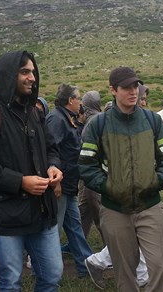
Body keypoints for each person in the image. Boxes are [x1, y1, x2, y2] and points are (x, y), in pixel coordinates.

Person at [0, 50, 64, 291]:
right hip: (6, 214)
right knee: (10, 281)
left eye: (33, 72)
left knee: (52, 275)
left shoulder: (35, 113)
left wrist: (53, 166)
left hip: (42, 211)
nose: (32, 78)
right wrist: (20, 181)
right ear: (8, 75)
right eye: (24, 72)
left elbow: (51, 148)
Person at [79, 66, 163, 291]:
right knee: (125, 273)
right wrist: (108, 187)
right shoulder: (99, 124)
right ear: (113, 90)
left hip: (150, 206)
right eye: (127, 87)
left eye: (136, 86)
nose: (134, 91)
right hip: (115, 209)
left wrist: (155, 182)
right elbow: (86, 166)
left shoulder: (152, 121)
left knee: (160, 266)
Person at [46, 83, 93, 278]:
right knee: (52, 231)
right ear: (70, 100)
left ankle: (87, 267)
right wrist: (55, 183)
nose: (81, 102)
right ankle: (47, 272)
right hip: (60, 186)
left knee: (75, 228)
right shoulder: (56, 119)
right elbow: (49, 152)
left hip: (69, 185)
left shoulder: (68, 118)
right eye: (79, 98)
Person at [77, 91, 102, 241]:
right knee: (85, 210)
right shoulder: (94, 119)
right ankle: (79, 245)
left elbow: (84, 148)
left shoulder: (94, 121)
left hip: (93, 173)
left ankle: (111, 251)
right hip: (89, 174)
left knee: (99, 213)